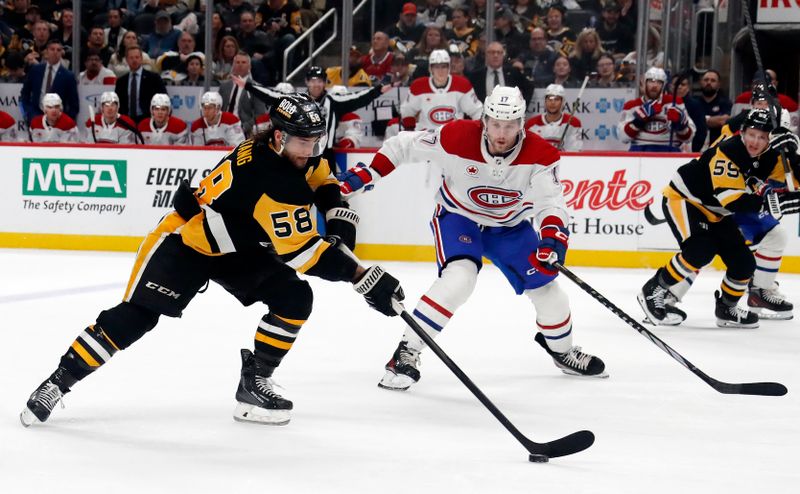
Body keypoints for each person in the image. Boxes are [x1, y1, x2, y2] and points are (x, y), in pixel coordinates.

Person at [20, 92, 406, 427]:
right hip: (188, 241)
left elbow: (323, 179)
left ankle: (254, 384)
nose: (309, 151)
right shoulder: (273, 179)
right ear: (279, 137)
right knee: (135, 318)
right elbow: (303, 254)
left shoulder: (280, 152)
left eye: (314, 141)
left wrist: (340, 221)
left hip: (236, 247)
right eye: (302, 143)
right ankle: (58, 381)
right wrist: (363, 276)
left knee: (294, 299)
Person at [339, 86, 608, 391]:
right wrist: (368, 172)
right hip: (459, 217)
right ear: (485, 120)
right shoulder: (456, 136)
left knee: (549, 291)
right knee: (459, 279)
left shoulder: (542, 154)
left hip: (510, 226)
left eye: (509, 125)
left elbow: (551, 204)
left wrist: (552, 239)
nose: (501, 133)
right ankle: (406, 353)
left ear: (521, 123)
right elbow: (403, 146)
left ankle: (562, 352)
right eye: (495, 124)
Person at [638, 109, 800, 328]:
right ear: (742, 132)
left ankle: (727, 308)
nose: (755, 141)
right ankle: (654, 289)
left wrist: (792, 153)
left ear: (770, 139)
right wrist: (773, 202)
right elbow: (734, 203)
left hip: (717, 212)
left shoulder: (771, 156)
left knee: (744, 264)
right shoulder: (728, 151)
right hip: (686, 199)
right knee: (700, 250)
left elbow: (794, 180)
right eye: (752, 134)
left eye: (762, 137)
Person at [239, 65, 390, 166]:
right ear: (306, 82)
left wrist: (378, 90)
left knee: (328, 193)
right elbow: (274, 96)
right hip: (300, 152)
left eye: (320, 81)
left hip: (325, 155)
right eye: (312, 81)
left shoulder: (334, 101)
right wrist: (248, 86)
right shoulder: (297, 101)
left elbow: (358, 97)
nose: (316, 84)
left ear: (325, 83)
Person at [403, 49, 483, 132]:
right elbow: (407, 111)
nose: (440, 71)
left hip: (454, 136)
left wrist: (479, 131)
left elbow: (477, 111)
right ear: (430, 68)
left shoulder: (462, 85)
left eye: (443, 66)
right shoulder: (418, 86)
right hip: (427, 138)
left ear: (449, 67)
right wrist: (410, 130)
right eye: (436, 67)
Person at [619, 66, 695, 152]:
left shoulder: (674, 103)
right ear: (644, 83)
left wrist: (681, 125)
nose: (655, 86)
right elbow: (623, 137)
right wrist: (638, 122)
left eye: (659, 82)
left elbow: (689, 138)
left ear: (664, 85)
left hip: (669, 153)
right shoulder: (632, 105)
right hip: (640, 153)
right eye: (651, 81)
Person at [20, 40, 79, 124]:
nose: (55, 52)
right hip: (35, 115)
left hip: (58, 119)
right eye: (52, 49)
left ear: (61, 53)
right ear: (47, 51)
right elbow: (25, 92)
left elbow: (73, 104)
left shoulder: (68, 76)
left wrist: (65, 120)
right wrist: (28, 112)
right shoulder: (36, 70)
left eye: (58, 50)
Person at [115, 45, 168, 124]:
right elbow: (117, 103)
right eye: (131, 58)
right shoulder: (121, 81)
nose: (134, 60)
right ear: (126, 60)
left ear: (141, 59)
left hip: (148, 120)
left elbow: (163, 98)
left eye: (137, 57)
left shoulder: (153, 78)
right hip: (126, 120)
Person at [219, 51, 268, 137]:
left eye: (243, 62)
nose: (240, 65)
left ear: (250, 66)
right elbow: (218, 110)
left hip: (245, 131)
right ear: (233, 65)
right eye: (237, 62)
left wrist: (244, 127)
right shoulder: (224, 86)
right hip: (223, 129)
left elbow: (260, 114)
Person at [525, 83, 582, 151]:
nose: (552, 103)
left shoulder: (573, 123)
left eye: (557, 99)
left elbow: (575, 151)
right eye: (549, 99)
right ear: (545, 101)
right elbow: (529, 151)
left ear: (563, 102)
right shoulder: (532, 124)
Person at [695, 69, 732, 150]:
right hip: (695, 149)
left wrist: (701, 120)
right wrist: (711, 120)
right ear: (701, 82)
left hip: (718, 149)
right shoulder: (694, 102)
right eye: (706, 80)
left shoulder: (725, 103)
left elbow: (724, 120)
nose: (709, 83)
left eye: (713, 80)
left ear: (719, 84)